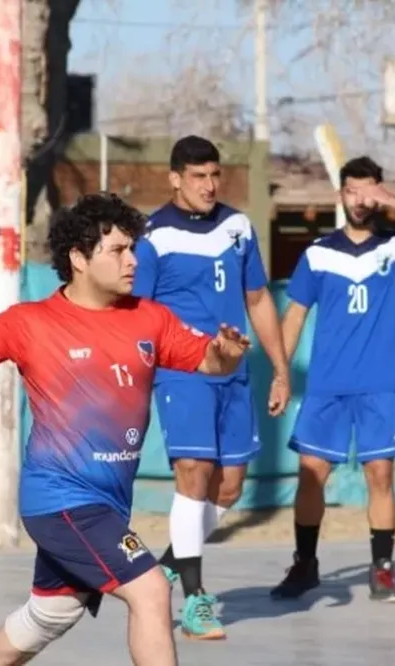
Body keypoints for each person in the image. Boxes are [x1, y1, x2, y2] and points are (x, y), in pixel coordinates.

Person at [0, 193, 252, 666]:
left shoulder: (150, 317)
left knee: (50, 614)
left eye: (133, 248)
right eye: (118, 250)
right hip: (60, 502)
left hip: (108, 505)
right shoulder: (32, 322)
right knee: (150, 588)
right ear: (79, 258)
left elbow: (210, 361)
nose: (132, 260)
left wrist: (227, 354)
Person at [132, 135, 290, 639]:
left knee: (230, 486)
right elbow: (138, 317)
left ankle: (166, 567)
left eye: (215, 175)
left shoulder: (238, 227)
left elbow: (258, 299)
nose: (209, 185)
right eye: (198, 176)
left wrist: (281, 369)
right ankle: (195, 602)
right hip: (183, 373)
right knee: (194, 473)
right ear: (174, 178)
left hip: (235, 373)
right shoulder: (153, 237)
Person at [269, 156, 395, 602]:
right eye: (351, 191)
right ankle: (305, 564)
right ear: (340, 194)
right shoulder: (318, 253)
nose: (360, 200)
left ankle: (382, 570)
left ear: (379, 192)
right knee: (311, 475)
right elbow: (294, 316)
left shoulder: (394, 248)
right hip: (327, 385)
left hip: (379, 384)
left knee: (380, 475)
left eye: (368, 191)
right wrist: (281, 374)